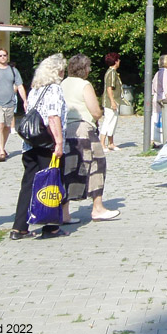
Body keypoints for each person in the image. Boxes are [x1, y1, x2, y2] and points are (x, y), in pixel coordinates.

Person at [10, 53, 69, 240]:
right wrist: (59, 143)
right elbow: (53, 117)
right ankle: (50, 227)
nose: (63, 73)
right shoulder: (54, 89)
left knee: (28, 184)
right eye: (62, 69)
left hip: (30, 143)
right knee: (50, 183)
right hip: (47, 144)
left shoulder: (35, 89)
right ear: (56, 70)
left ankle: (19, 227)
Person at [61, 54, 120, 222]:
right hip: (83, 130)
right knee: (97, 165)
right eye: (89, 67)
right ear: (84, 68)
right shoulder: (84, 85)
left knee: (69, 169)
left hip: (66, 131)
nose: (90, 70)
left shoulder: (63, 83)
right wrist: (99, 113)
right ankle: (97, 208)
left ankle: (64, 213)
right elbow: (95, 111)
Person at [100, 52, 126, 151]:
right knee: (108, 121)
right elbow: (109, 88)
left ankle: (111, 143)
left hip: (115, 101)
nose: (119, 61)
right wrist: (112, 101)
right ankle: (102, 143)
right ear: (115, 61)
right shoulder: (111, 73)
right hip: (110, 102)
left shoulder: (114, 72)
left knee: (113, 122)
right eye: (118, 60)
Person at [151, 54, 167, 147]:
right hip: (163, 100)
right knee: (163, 120)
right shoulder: (166, 73)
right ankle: (164, 139)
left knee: (155, 118)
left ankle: (154, 139)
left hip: (156, 99)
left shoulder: (157, 73)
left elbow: (153, 89)